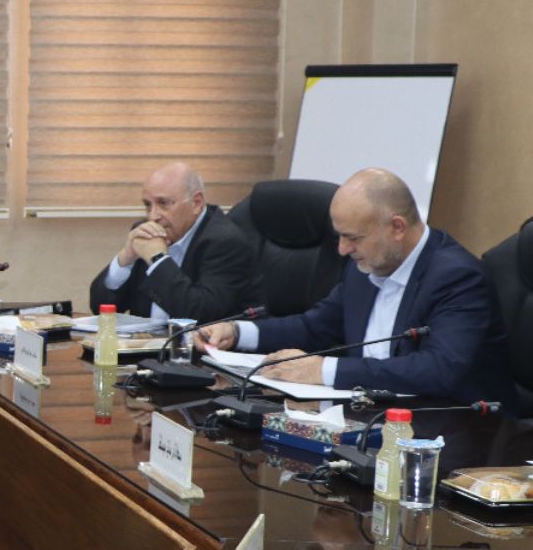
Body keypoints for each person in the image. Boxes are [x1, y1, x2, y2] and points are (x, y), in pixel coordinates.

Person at [197, 168, 513, 406]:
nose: (342, 250)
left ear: (397, 227)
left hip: (458, 431)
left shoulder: (457, 277)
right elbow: (314, 327)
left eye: (353, 238)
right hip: (370, 416)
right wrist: (238, 332)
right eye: (339, 236)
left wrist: (323, 371)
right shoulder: (366, 266)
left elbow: (437, 369)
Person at [88, 162, 261, 322]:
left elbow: (199, 314)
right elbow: (100, 308)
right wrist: (125, 260)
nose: (153, 216)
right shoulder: (146, 232)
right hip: (147, 343)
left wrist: (158, 260)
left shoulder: (225, 242)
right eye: (148, 205)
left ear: (196, 203)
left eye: (163, 203)